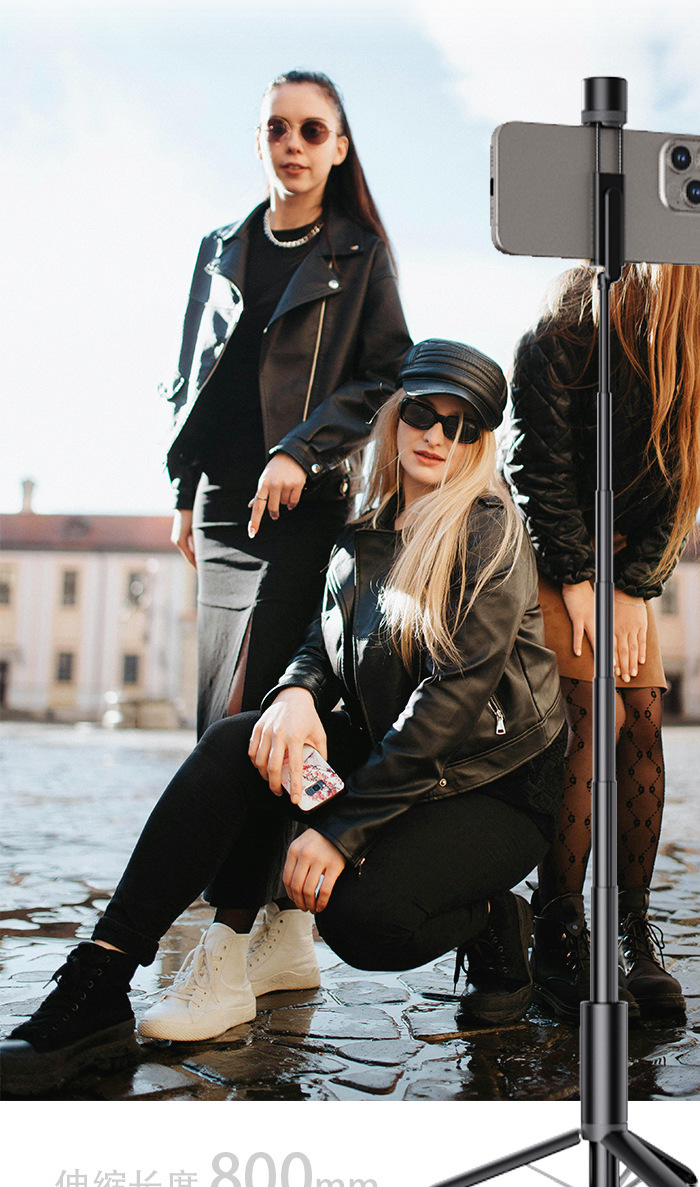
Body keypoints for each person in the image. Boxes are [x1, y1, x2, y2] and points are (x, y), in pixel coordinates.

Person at [1, 340, 568, 1095]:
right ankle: (98, 981)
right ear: (397, 416)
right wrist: (295, 694)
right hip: (402, 764)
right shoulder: (365, 533)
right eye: (423, 414)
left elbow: (454, 696)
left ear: (480, 441)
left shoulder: (488, 527)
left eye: (461, 425)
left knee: (361, 920)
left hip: (493, 782)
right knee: (241, 742)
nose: (437, 435)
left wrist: (341, 829)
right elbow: (319, 643)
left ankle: (495, 916)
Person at [165, 69, 411, 998]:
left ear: (339, 148)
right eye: (278, 127)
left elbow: (386, 373)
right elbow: (194, 378)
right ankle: (275, 929)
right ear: (262, 138)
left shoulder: (360, 254)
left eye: (312, 130)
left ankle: (233, 935)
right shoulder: (220, 248)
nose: (293, 144)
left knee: (264, 708)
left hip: (305, 508)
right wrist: (182, 487)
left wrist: (301, 450)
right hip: (224, 505)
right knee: (216, 711)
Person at [505, 261, 700, 1021]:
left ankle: (629, 931)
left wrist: (636, 586)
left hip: (630, 566)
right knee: (590, 716)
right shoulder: (566, 329)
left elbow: (689, 481)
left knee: (642, 718)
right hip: (558, 545)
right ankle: (557, 931)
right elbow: (539, 465)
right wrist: (580, 577)